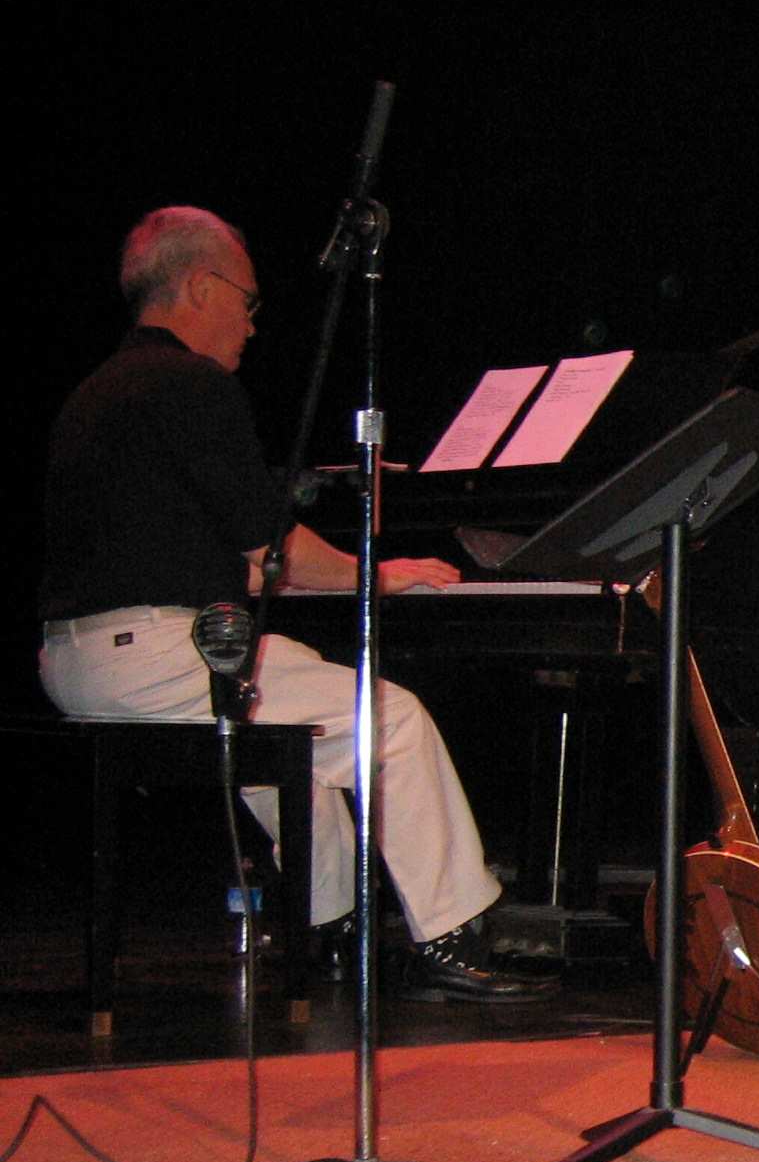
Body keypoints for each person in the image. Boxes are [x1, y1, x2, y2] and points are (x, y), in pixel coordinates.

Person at [39, 207, 550, 1002]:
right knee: (394, 721)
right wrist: (382, 572)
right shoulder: (188, 384)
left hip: (83, 659)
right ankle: (452, 934)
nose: (251, 326)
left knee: (300, 693)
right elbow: (271, 549)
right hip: (150, 655)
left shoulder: (101, 391)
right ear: (202, 288)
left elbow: (199, 561)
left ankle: (330, 925)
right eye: (247, 303)